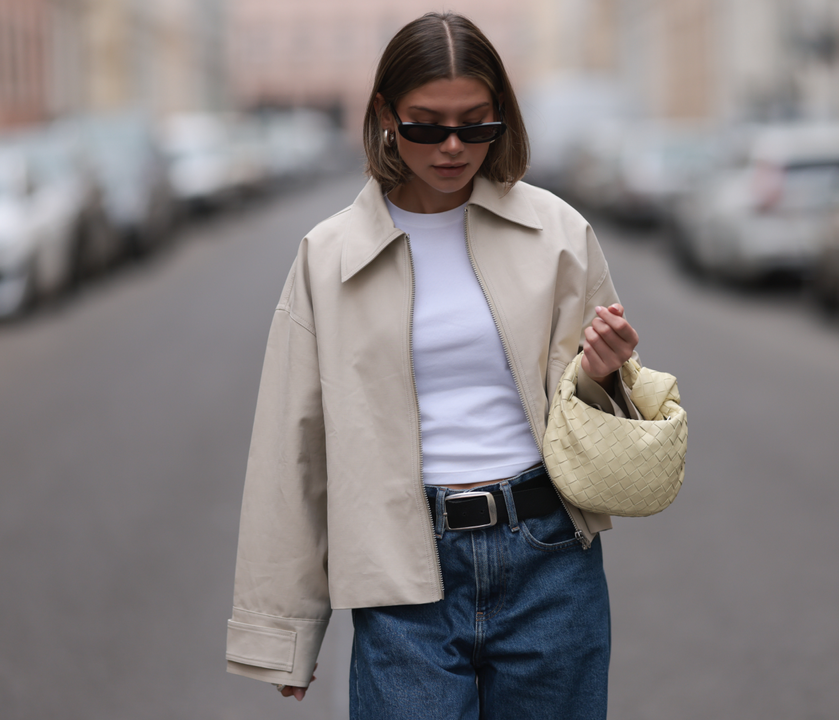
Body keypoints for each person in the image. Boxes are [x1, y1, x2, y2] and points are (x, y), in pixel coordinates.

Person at [226, 12, 641, 719]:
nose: (452, 147)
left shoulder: (558, 236)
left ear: (501, 117)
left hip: (547, 558)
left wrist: (605, 376)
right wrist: (283, 628)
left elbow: (605, 422)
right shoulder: (328, 257)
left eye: (474, 125)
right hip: (399, 569)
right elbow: (290, 448)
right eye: (426, 125)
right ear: (385, 115)